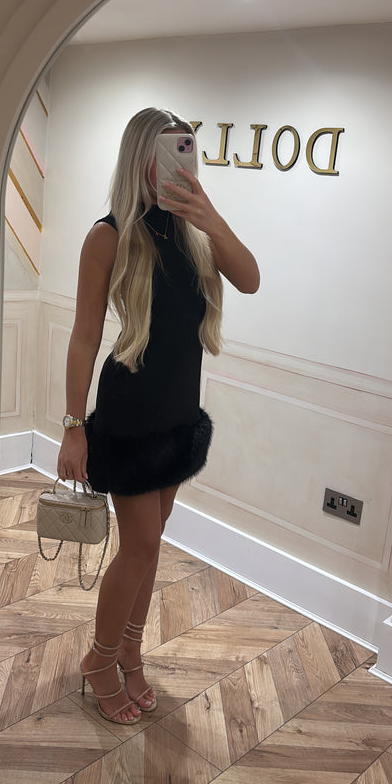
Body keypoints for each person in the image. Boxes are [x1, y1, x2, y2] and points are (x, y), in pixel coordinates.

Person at [57, 107, 260, 725]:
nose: (176, 163)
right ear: (139, 157)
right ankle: (99, 659)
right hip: (131, 413)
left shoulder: (193, 232)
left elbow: (249, 279)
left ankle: (130, 651)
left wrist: (209, 215)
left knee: (150, 543)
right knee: (141, 544)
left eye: (185, 150)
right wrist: (73, 427)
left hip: (177, 412)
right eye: (165, 152)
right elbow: (84, 336)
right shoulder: (109, 235)